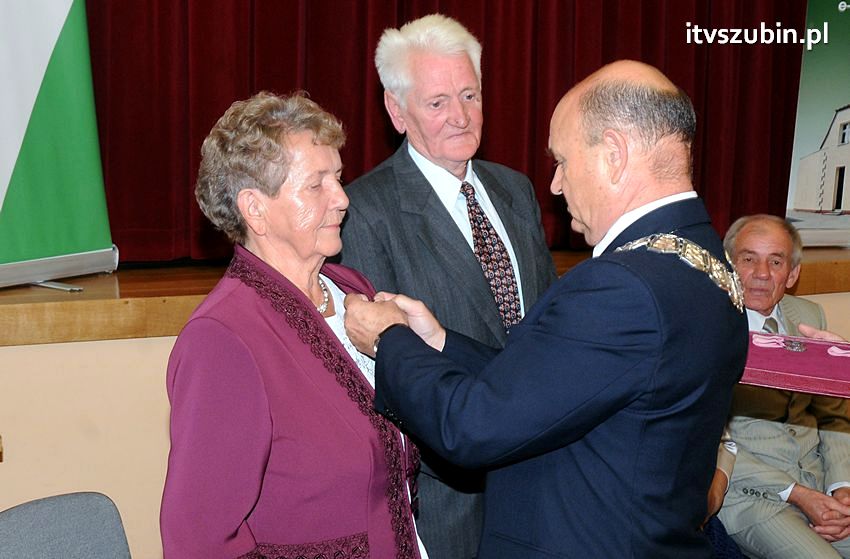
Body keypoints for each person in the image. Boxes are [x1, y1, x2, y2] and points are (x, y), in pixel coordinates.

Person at [343, 60, 749, 558]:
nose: (555, 185)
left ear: (614, 155)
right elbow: (555, 388)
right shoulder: (704, 259)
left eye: (563, 160)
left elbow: (473, 427)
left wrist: (391, 340)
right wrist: (440, 342)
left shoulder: (622, 287)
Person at [160, 92, 426, 559]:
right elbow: (198, 540)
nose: (343, 198)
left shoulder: (352, 290)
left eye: (339, 179)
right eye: (316, 185)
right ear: (255, 209)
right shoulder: (222, 339)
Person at [338, 14, 556, 558]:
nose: (460, 117)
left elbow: (548, 326)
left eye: (470, 94)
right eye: (437, 103)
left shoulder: (515, 190)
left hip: (545, 474)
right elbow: (381, 370)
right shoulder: (365, 211)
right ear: (397, 111)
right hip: (450, 496)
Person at [718, 214, 850, 559]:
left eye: (775, 261)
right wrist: (798, 494)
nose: (761, 274)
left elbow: (833, 414)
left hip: (821, 484)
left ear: (792, 274)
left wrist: (841, 488)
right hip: (753, 499)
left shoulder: (809, 316)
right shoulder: (707, 331)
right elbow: (707, 441)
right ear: (728, 267)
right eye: (748, 259)